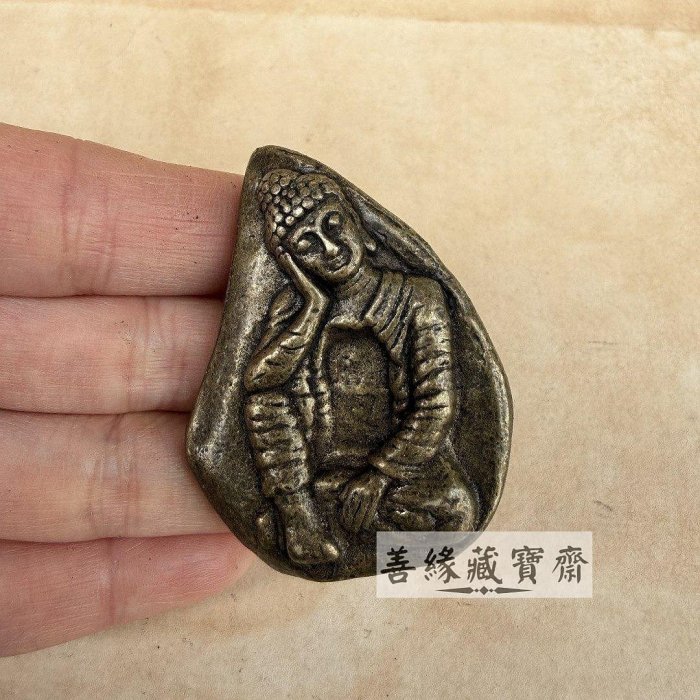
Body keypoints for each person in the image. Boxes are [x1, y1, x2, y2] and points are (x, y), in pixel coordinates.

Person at [244, 169, 477, 568]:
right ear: (293, 261)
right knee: (265, 396)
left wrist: (380, 475)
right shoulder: (292, 306)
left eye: (334, 226)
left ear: (360, 226)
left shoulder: (417, 297)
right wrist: (314, 307)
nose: (330, 249)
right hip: (315, 457)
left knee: (457, 516)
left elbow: (436, 404)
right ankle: (298, 510)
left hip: (395, 462)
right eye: (307, 245)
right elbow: (257, 382)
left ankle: (321, 510)